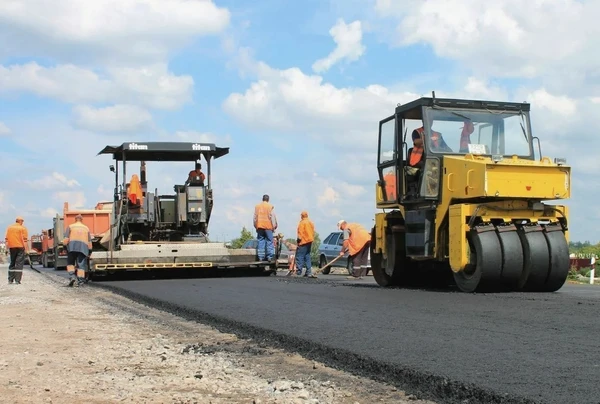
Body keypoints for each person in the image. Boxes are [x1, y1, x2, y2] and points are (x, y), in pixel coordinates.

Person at [64, 214, 92, 287]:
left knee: (70, 264)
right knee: (81, 266)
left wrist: (65, 247)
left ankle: (72, 276)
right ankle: (80, 281)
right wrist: (90, 250)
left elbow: (66, 238)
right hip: (83, 248)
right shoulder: (86, 228)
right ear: (82, 220)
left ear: (75, 219)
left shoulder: (70, 226)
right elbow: (89, 241)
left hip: (72, 248)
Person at [253, 194, 278, 261]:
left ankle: (261, 257)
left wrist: (256, 226)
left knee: (261, 241)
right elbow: (272, 217)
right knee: (270, 241)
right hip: (268, 227)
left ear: (262, 199)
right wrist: (274, 226)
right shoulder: (269, 206)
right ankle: (269, 257)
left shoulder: (257, 207)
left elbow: (255, 218)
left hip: (260, 226)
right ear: (268, 199)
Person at [4, 216, 28, 284]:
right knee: (19, 263)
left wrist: (6, 248)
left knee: (12, 262)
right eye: (22, 221)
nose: (23, 223)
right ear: (20, 221)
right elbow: (25, 240)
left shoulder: (9, 228)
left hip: (12, 247)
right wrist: (26, 249)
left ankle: (10, 280)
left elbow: (7, 239)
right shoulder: (23, 228)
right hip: (20, 247)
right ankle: (17, 280)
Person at [295, 211, 316, 278]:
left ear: (302, 216)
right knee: (307, 256)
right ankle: (308, 272)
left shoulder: (302, 223)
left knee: (300, 256)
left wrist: (298, 240)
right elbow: (313, 231)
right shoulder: (310, 222)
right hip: (310, 241)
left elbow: (300, 233)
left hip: (303, 241)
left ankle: (299, 271)